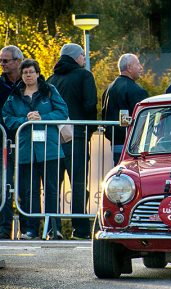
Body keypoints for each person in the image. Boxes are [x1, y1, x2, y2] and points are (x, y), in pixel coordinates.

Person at [3, 59, 69, 240]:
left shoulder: (49, 90)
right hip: (26, 151)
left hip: (49, 150)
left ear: (38, 73)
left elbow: (62, 111)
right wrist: (25, 120)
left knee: (51, 190)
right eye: (25, 73)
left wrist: (42, 117)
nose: (28, 75)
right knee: (28, 192)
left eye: (31, 72)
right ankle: (30, 230)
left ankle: (53, 229)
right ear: (22, 75)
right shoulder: (15, 94)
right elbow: (7, 117)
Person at [47, 43, 97, 240]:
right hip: (77, 137)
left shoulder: (51, 79)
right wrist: (90, 129)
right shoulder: (84, 75)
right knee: (78, 182)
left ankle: (54, 228)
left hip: (53, 139)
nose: (84, 59)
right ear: (76, 57)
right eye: (83, 56)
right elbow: (90, 103)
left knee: (54, 185)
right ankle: (81, 229)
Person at [102, 53, 149, 165]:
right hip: (132, 146)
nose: (140, 67)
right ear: (129, 67)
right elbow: (144, 118)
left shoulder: (109, 89)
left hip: (115, 142)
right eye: (138, 64)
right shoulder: (136, 90)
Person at [0, 45, 23, 239]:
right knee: (4, 186)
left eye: (5, 61)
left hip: (26, 142)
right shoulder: (0, 84)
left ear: (18, 62)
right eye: (1, 60)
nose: (2, 64)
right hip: (3, 143)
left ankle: (29, 230)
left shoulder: (31, 82)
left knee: (26, 186)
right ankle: (4, 230)